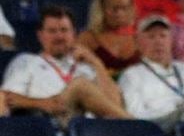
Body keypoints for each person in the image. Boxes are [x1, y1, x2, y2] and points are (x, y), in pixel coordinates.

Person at [1, 6, 130, 124]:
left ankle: (136, 126)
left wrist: (97, 63)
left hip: (92, 128)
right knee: (80, 85)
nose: (59, 36)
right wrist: (43, 103)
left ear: (74, 34)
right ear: (40, 36)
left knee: (83, 85)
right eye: (52, 31)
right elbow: (7, 98)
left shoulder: (87, 66)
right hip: (51, 120)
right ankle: (139, 127)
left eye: (64, 30)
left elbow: (116, 105)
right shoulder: (27, 61)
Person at [77, 0, 141, 76]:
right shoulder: (88, 38)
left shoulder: (140, 38)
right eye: (114, 9)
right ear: (102, 10)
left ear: (131, 9)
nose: (119, 13)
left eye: (124, 8)